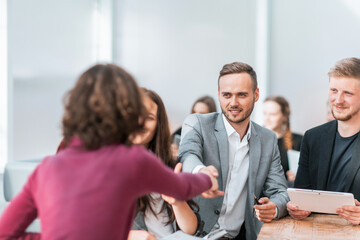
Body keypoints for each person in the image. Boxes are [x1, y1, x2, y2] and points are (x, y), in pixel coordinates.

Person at [0, 64, 223, 240]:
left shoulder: (46, 169)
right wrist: (206, 179)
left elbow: (4, 233)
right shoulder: (132, 161)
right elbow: (183, 186)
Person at [178, 62, 289, 240]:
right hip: (192, 235)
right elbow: (187, 155)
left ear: (256, 95)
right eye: (227, 95)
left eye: (242, 95)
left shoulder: (267, 139)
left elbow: (280, 192)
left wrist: (274, 207)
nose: (233, 103)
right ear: (219, 95)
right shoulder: (197, 123)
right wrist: (201, 173)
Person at [287, 57, 360, 225]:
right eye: (334, 90)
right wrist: (296, 207)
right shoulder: (313, 138)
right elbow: (301, 193)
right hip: (316, 230)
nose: (338, 100)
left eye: (348, 93)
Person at [128, 88, 203, 239]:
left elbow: (191, 229)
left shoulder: (170, 164)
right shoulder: (109, 166)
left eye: (149, 117)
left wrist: (177, 202)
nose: (141, 122)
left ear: (158, 124)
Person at [263, 96, 303, 185]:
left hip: (286, 193)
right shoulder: (254, 140)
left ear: (284, 116)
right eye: (265, 113)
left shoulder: (299, 141)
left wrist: (298, 176)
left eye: (272, 114)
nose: (267, 118)